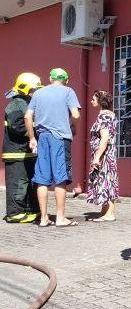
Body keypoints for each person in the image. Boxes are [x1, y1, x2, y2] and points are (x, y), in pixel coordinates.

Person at [25, 68, 82, 228]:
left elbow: (28, 116)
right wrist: (72, 127)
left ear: (50, 78)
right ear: (67, 80)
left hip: (42, 137)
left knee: (42, 179)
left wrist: (31, 137)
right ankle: (60, 217)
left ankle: (43, 218)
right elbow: (76, 115)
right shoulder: (68, 91)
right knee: (60, 178)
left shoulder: (38, 93)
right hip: (60, 138)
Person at [3, 73, 43, 223]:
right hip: (16, 153)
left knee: (29, 184)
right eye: (34, 89)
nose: (36, 92)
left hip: (27, 152)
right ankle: (15, 213)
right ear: (25, 89)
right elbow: (17, 126)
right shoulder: (16, 104)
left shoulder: (28, 103)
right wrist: (35, 132)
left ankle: (31, 210)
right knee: (17, 185)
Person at [86, 90, 119, 222]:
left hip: (104, 155)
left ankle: (110, 213)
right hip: (108, 154)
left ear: (101, 101)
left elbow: (104, 138)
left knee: (107, 181)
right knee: (106, 180)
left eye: (94, 99)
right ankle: (105, 211)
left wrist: (97, 157)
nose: (91, 101)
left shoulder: (103, 116)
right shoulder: (110, 115)